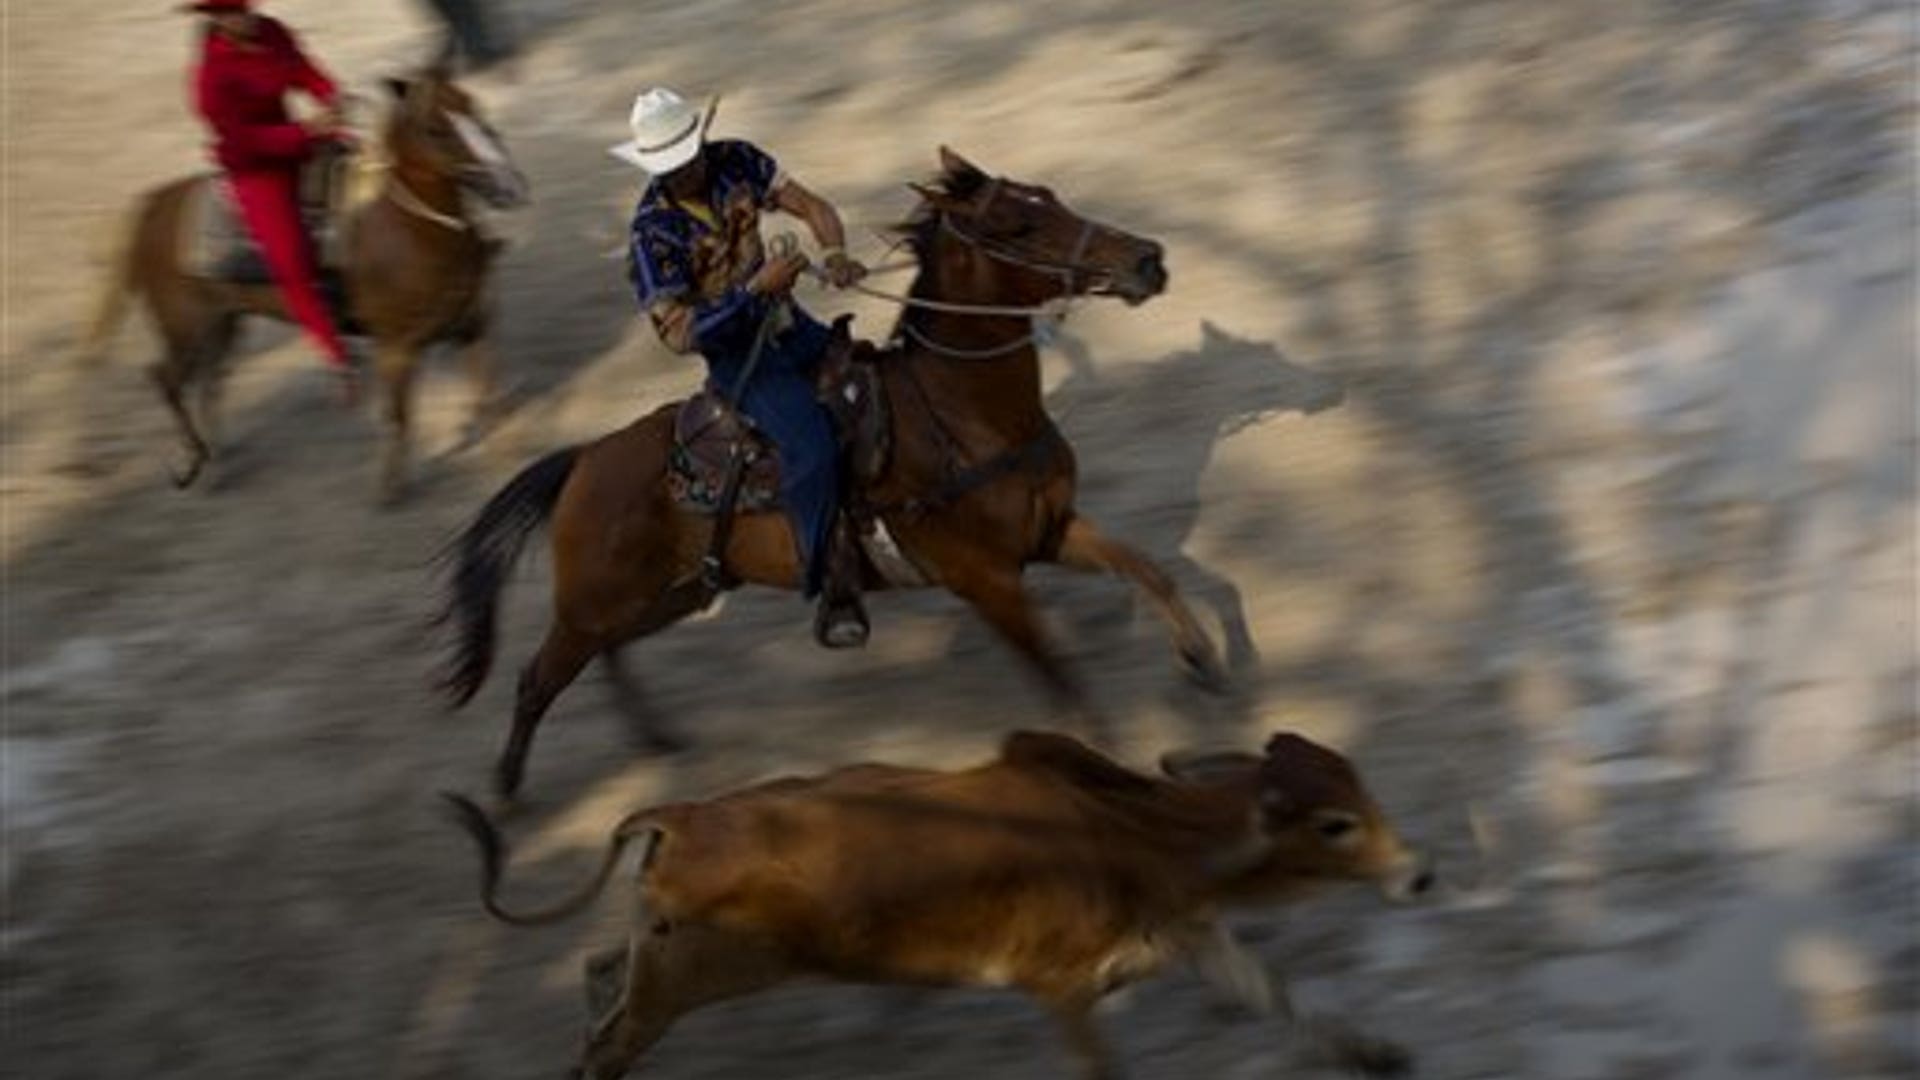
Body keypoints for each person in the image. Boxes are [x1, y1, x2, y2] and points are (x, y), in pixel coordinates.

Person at [615, 87, 871, 648]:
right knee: (811, 444)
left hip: (791, 326)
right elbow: (678, 335)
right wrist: (756, 290)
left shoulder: (740, 159)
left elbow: (812, 206)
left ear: (700, 140)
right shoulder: (650, 233)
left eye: (689, 156)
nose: (686, 172)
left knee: (869, 387)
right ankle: (827, 576)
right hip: (740, 360)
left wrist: (834, 254)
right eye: (672, 166)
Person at [183, 0, 357, 403]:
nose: (241, 18)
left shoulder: (272, 31)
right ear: (214, 19)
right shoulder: (211, 79)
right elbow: (243, 142)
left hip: (300, 140)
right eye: (229, 13)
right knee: (291, 258)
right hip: (257, 170)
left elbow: (302, 69)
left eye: (242, 9)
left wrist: (329, 94)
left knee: (364, 170)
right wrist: (306, 131)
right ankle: (337, 355)